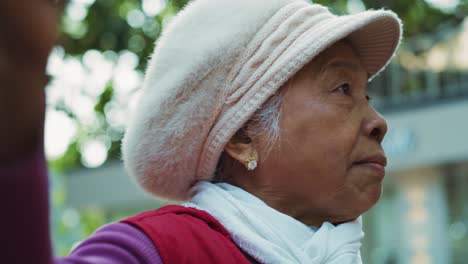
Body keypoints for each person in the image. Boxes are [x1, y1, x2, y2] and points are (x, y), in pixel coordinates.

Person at [1, 0, 402, 263]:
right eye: (344, 89)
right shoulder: (154, 250)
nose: (377, 121)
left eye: (367, 95)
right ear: (242, 139)